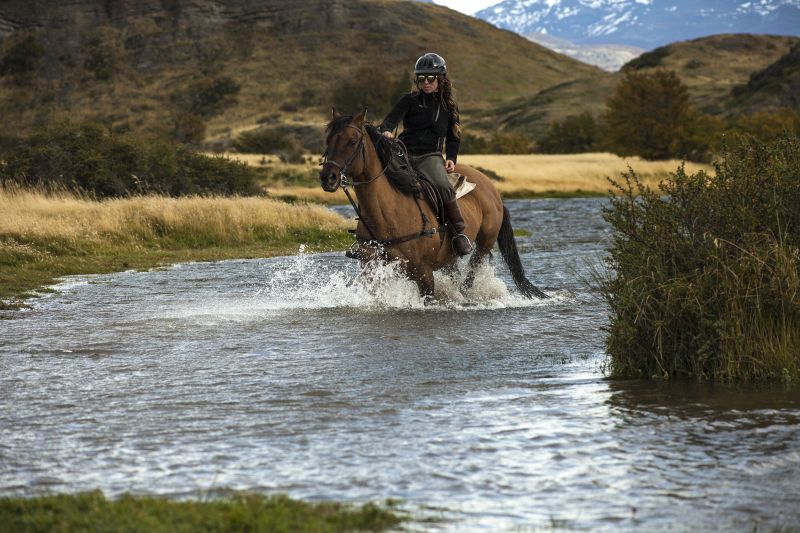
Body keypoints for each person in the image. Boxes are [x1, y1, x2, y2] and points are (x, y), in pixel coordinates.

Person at [379, 52, 473, 256]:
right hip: (402, 152)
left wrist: (451, 158)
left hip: (429, 156)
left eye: (431, 78)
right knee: (376, 179)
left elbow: (454, 137)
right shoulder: (409, 100)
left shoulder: (449, 106)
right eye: (421, 79)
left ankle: (458, 233)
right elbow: (389, 121)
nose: (426, 83)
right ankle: (367, 234)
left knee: (443, 187)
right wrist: (386, 130)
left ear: (441, 79)